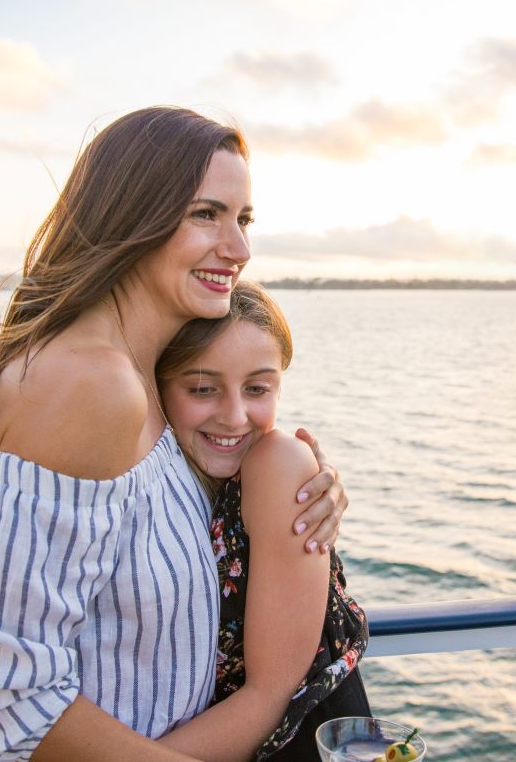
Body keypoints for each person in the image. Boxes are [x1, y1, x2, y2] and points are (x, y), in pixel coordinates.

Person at [0, 107, 348, 762]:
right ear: (132, 215)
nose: (240, 250)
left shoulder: (140, 381)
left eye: (243, 220)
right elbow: (8, 695)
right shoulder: (89, 384)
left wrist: (298, 471)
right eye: (206, 214)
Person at [156, 280, 371, 761]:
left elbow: (271, 697)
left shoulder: (277, 464)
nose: (234, 416)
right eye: (202, 388)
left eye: (257, 388)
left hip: (298, 743)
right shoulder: (167, 476)